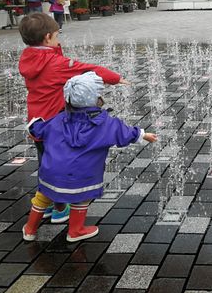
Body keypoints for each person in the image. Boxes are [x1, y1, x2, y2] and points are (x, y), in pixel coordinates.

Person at [23, 72, 157, 242]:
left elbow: (38, 129)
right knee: (81, 199)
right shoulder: (105, 123)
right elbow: (125, 132)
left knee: (42, 198)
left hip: (51, 174)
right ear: (96, 99)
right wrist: (144, 135)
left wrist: (33, 126)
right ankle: (76, 231)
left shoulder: (58, 119)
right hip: (83, 177)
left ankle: (29, 229)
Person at [18, 13, 126, 223]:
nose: (59, 40)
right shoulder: (55, 63)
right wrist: (115, 78)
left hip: (37, 123)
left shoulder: (28, 59)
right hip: (57, 124)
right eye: (57, 36)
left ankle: (46, 204)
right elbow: (88, 70)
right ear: (48, 38)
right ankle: (60, 208)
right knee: (62, 165)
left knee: (46, 163)